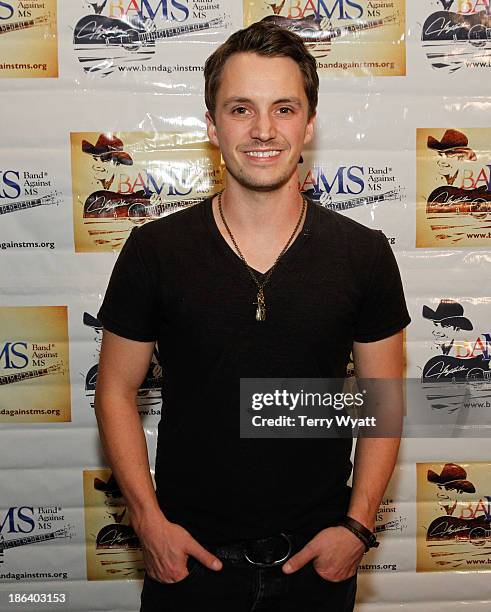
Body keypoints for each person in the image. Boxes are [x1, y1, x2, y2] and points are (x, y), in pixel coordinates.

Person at [94, 21, 410, 611]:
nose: (263, 130)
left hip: (317, 566)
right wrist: (148, 521)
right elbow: (114, 389)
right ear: (212, 125)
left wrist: (358, 528)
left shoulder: (363, 253)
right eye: (241, 109)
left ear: (309, 122)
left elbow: (382, 397)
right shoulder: (154, 251)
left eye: (283, 108)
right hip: (189, 567)